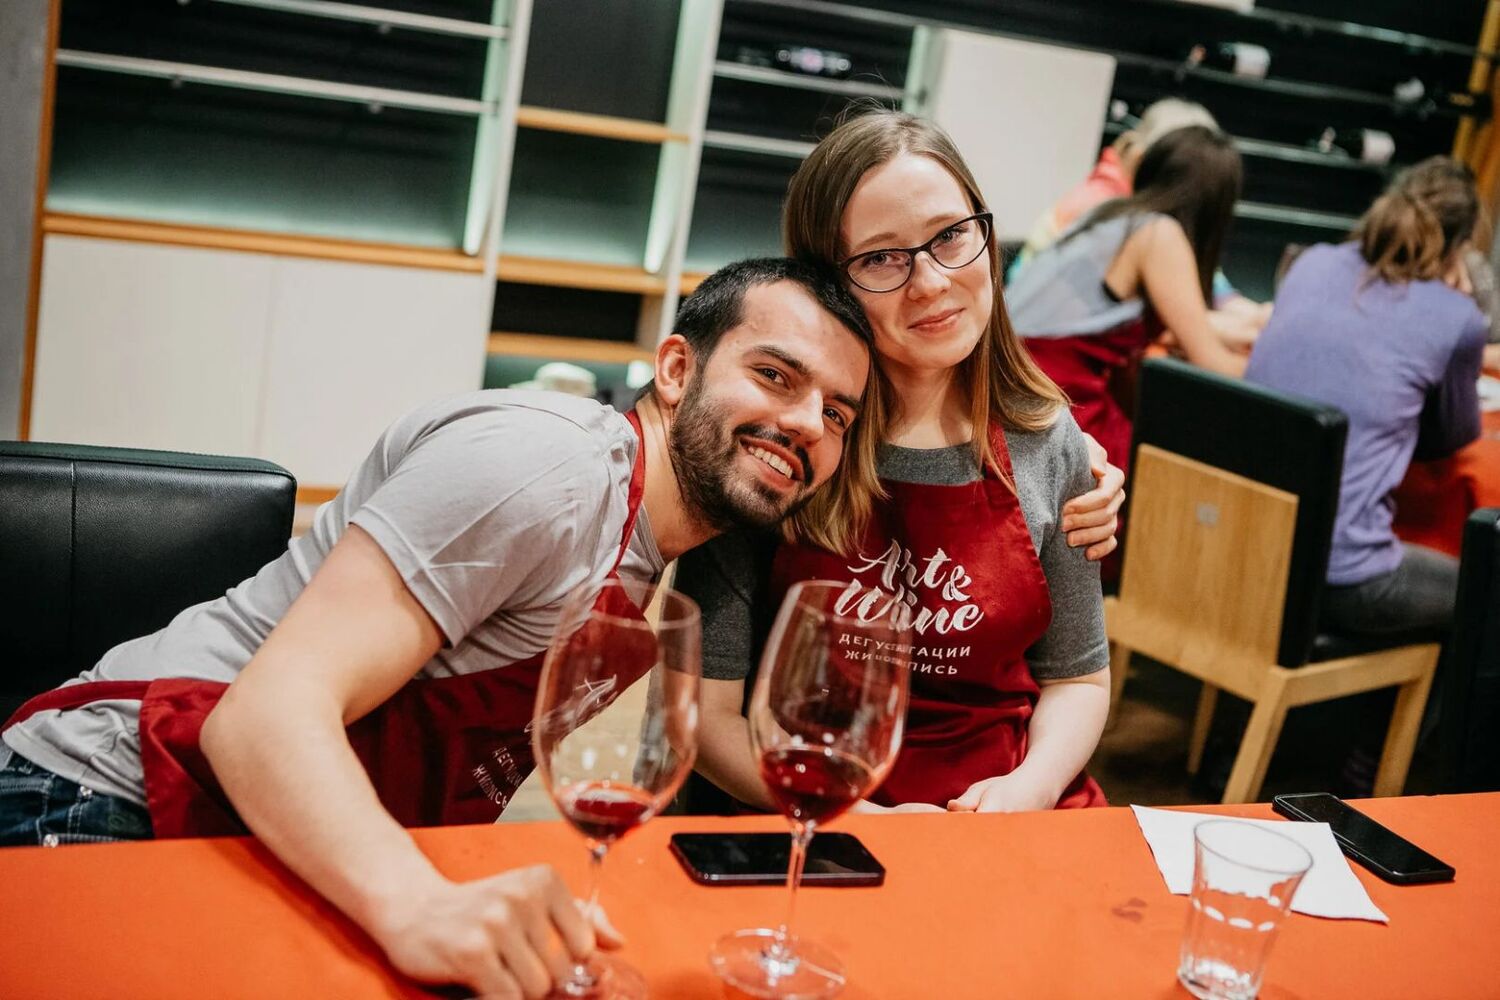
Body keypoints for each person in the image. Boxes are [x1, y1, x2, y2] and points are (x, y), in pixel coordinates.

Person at [0, 258, 877, 999]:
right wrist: (420, 906)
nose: (808, 423)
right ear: (678, 369)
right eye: (775, 375)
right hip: (105, 794)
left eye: (836, 414)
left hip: (259, 825)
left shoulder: (645, 538)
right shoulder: (548, 468)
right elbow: (262, 716)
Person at [680, 110, 1124, 817]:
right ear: (828, 282)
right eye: (881, 258)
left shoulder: (1050, 440)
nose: (930, 281)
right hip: (802, 806)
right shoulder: (784, 440)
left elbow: (1077, 679)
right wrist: (855, 820)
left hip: (1006, 808)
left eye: (951, 235)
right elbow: (706, 716)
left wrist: (1029, 790)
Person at [1246, 157, 1487, 639]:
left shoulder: (1313, 262)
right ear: (1459, 249)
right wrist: (1459, 299)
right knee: (1488, 587)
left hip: (1247, 544)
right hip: (1338, 579)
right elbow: (1450, 438)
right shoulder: (1457, 315)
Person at [1007, 124, 1250, 480]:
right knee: (1170, 463)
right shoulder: (1158, 233)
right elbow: (1211, 360)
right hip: (1052, 401)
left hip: (1015, 382)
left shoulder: (1109, 213)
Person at [1007, 98, 1270, 341]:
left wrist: (1252, 315)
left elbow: (1208, 289)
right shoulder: (1110, 212)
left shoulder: (1138, 212)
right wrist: (1246, 328)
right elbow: (1179, 316)